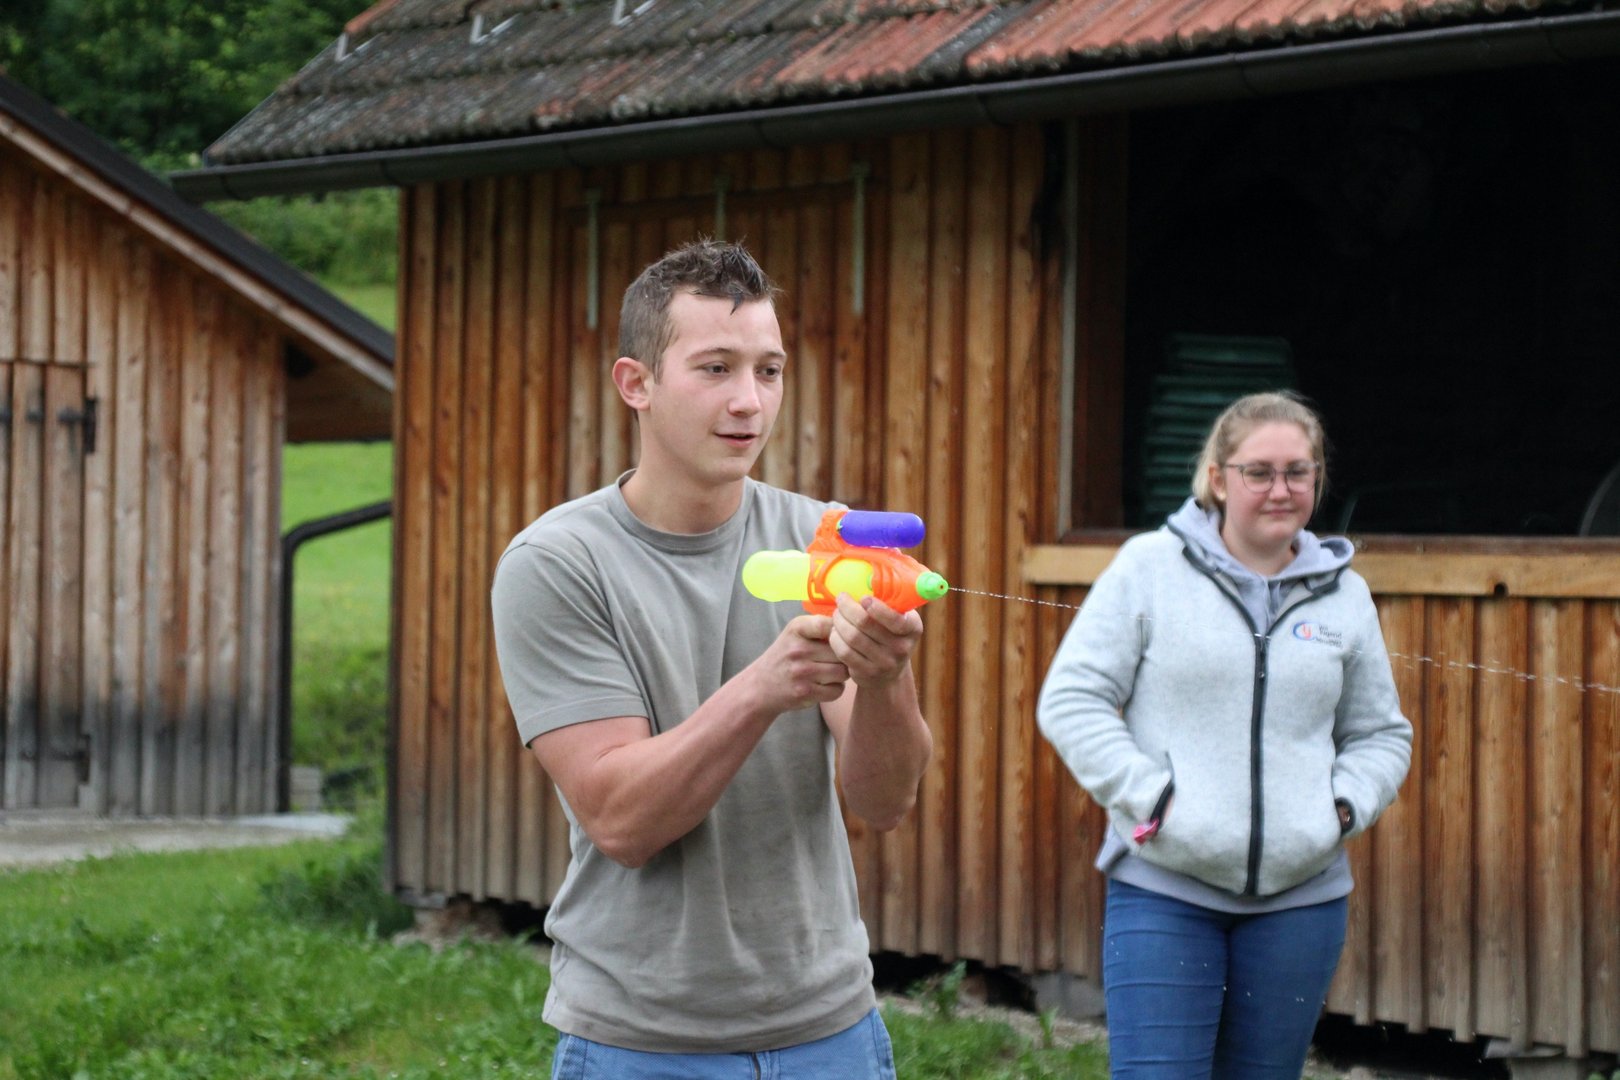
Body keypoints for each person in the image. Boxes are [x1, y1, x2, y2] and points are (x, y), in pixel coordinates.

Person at [491, 239, 933, 1079]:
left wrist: (886, 679)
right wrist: (762, 689)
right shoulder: (557, 564)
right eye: (716, 369)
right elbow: (622, 822)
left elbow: (886, 800)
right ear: (636, 383)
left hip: (832, 1029)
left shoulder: (823, 538)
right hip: (642, 1042)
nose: (749, 402)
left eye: (769, 371)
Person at [1036, 391, 1413, 1079]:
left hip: (1301, 902)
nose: (1281, 490)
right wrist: (1154, 801)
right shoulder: (1149, 568)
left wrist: (1339, 809)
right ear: (1217, 478)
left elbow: (1380, 734)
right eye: (1258, 472)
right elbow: (1071, 699)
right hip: (1165, 889)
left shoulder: (1344, 595)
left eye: (1298, 472)